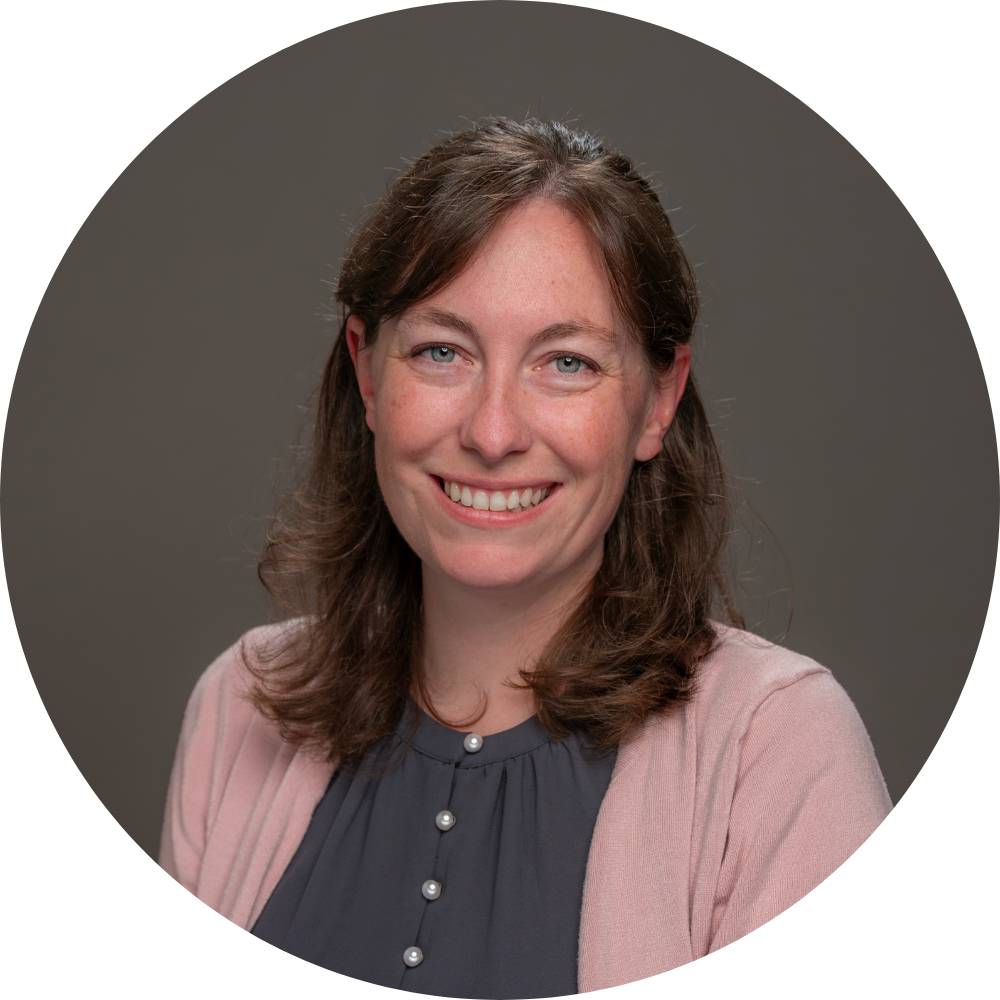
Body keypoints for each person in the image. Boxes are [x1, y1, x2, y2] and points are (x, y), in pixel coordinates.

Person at [158, 116, 892, 998]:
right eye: (442, 352)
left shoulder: (775, 749)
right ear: (366, 371)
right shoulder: (238, 705)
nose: (494, 432)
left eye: (567, 363)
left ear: (659, 400)